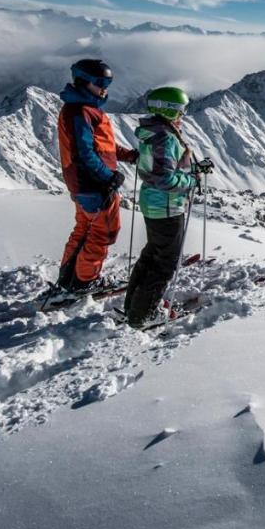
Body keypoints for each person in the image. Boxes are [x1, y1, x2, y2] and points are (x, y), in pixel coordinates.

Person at [123, 86, 213, 327]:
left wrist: (193, 169)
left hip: (155, 203)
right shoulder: (164, 137)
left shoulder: (155, 132)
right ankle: (143, 315)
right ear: (167, 110)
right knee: (165, 263)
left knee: (152, 255)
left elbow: (163, 170)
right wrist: (192, 180)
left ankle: (133, 307)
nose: (182, 114)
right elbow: (164, 179)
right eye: (180, 110)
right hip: (166, 207)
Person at [55, 58, 138, 295]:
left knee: (84, 229)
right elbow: (85, 152)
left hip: (84, 183)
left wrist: (129, 155)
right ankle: (83, 282)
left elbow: (102, 147)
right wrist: (107, 177)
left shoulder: (83, 110)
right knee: (103, 232)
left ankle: (68, 280)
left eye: (107, 82)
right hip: (94, 184)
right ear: (83, 82)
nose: (105, 88)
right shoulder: (81, 111)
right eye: (100, 82)